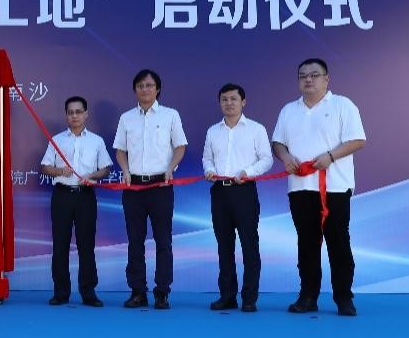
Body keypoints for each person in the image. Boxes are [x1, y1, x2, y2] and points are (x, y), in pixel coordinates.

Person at [271, 58, 367, 317]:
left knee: (338, 242)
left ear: (327, 78)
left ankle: (344, 298)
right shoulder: (289, 110)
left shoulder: (342, 105)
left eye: (314, 74)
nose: (308, 80)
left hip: (335, 187)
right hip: (300, 187)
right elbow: (278, 142)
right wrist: (285, 157)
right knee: (307, 243)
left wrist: (331, 157)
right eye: (303, 76)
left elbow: (358, 140)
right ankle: (308, 296)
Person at [113, 69, 188, 309]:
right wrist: (125, 170)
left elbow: (180, 146)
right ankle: (138, 291)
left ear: (158, 89)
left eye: (149, 85)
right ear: (135, 90)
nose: (144, 89)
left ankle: (162, 292)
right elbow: (120, 150)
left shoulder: (170, 115)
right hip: (133, 185)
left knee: (163, 240)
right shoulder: (126, 118)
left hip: (161, 185)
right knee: (135, 241)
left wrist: (170, 168)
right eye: (140, 86)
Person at [202, 83, 273, 313]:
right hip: (219, 192)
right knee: (224, 246)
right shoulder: (213, 131)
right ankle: (227, 296)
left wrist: (247, 172)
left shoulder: (256, 129)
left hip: (244, 191)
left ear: (243, 102)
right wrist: (209, 170)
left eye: (233, 99)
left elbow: (266, 159)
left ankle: (249, 298)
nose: (229, 103)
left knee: (249, 245)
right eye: (224, 99)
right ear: (219, 103)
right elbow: (207, 158)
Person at [40, 96, 113, 307]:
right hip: (62, 195)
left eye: (78, 112)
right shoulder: (56, 140)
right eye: (70, 112)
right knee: (60, 244)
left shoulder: (96, 141)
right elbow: (44, 167)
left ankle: (88, 292)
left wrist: (93, 176)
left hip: (85, 196)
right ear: (66, 115)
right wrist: (59, 171)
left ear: (86, 114)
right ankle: (61, 292)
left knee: (86, 245)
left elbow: (106, 168)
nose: (75, 116)